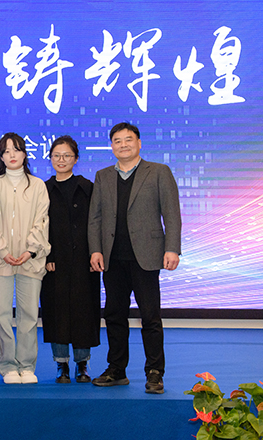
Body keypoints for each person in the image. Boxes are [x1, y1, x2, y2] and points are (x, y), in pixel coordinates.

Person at [88, 122, 181, 394]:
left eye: (128, 139)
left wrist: (172, 248)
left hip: (147, 256)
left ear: (139, 143)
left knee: (150, 317)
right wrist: (95, 249)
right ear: (111, 146)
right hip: (113, 258)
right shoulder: (103, 176)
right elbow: (95, 218)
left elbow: (171, 214)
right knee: (114, 315)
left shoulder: (159, 171)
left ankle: (155, 372)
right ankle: (117, 369)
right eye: (117, 141)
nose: (123, 145)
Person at [0, 132, 50, 385]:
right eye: (6, 151)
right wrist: (2, 251)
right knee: (2, 315)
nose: (12, 155)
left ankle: (26, 365)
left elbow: (42, 221)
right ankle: (8, 367)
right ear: (1, 157)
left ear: (25, 153)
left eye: (16, 149)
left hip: (30, 260)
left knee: (29, 315)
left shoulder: (37, 185)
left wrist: (30, 250)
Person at [40, 136, 99, 384]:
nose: (61, 160)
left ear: (76, 159)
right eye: (57, 155)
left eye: (67, 155)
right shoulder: (42, 189)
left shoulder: (88, 187)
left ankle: (82, 364)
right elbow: (39, 226)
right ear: (50, 159)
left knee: (84, 310)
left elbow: (97, 223)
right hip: (55, 261)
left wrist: (95, 252)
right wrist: (48, 255)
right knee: (57, 311)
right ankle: (61, 364)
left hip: (85, 260)